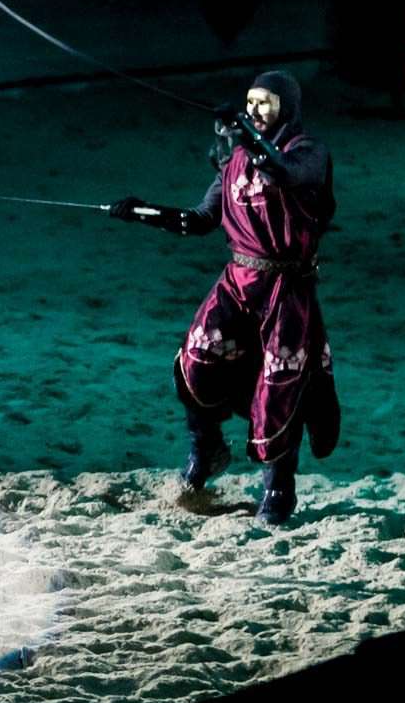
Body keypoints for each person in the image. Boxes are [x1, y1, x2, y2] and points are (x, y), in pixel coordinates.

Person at [109, 70, 340, 525]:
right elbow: (198, 220)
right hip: (237, 281)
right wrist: (142, 212)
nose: (255, 109)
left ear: (286, 107)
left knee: (280, 385)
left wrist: (247, 137)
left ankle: (279, 488)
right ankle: (207, 447)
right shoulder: (235, 158)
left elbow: (282, 172)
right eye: (250, 101)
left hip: (285, 288)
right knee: (196, 357)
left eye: (265, 102)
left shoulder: (309, 152)